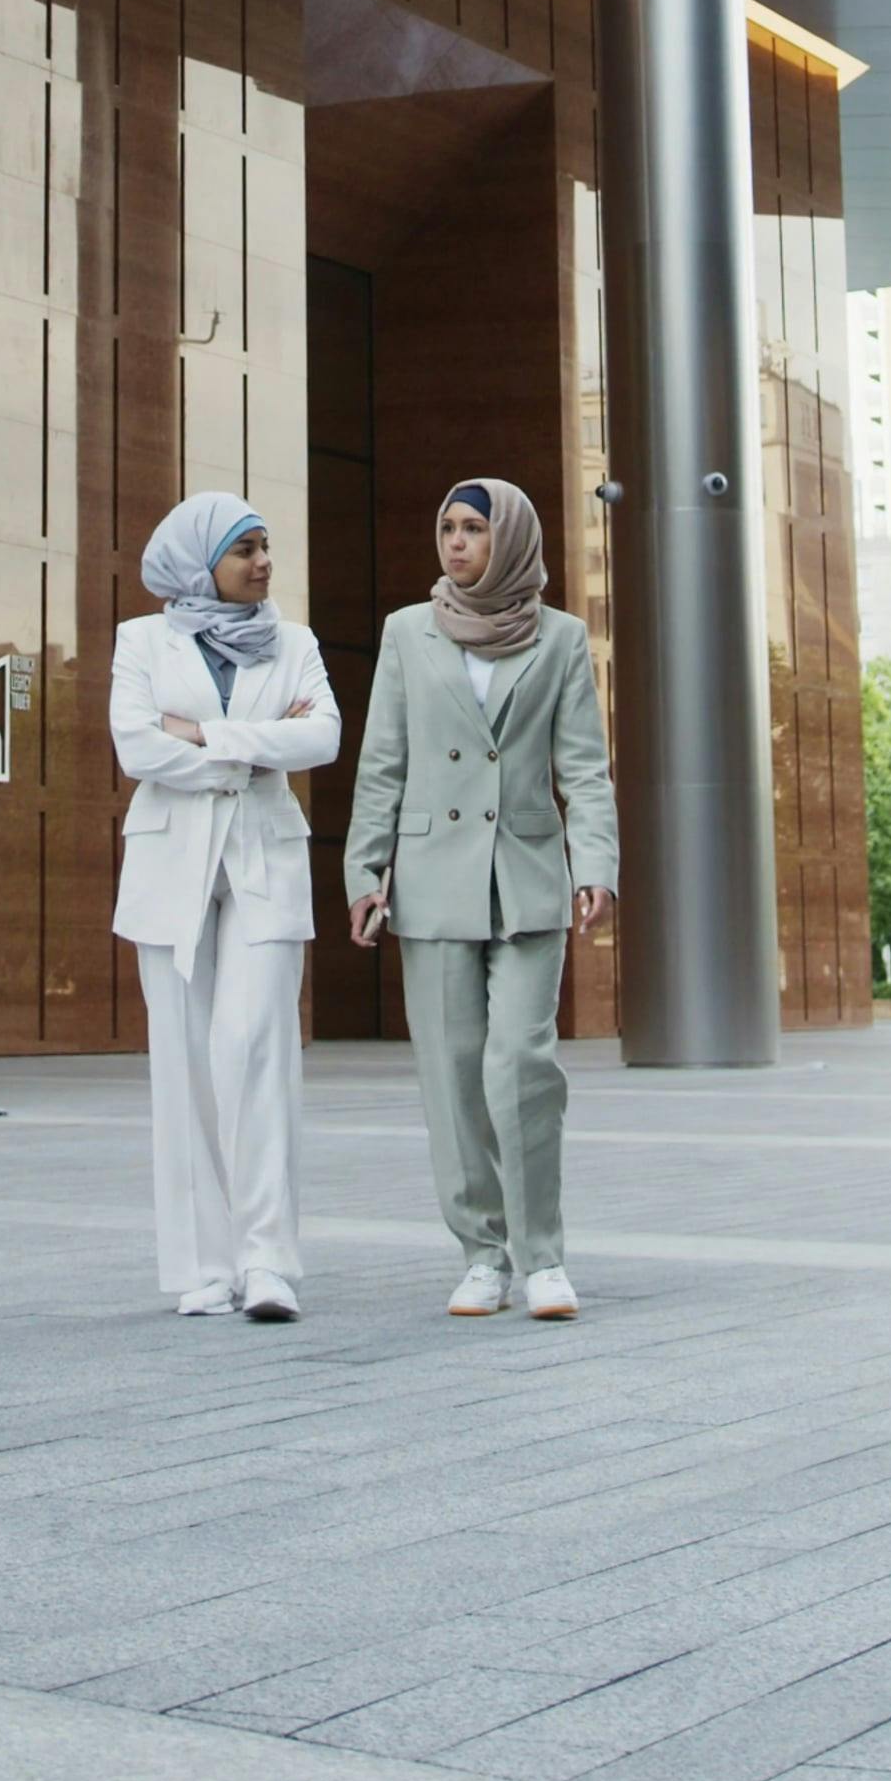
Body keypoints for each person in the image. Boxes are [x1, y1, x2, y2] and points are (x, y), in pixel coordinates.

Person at [343, 477, 618, 1320]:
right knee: (452, 1075)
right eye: (447, 527)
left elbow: (583, 768)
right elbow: (382, 761)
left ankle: (542, 1260)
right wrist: (364, 872)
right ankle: (482, 1256)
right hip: (431, 880)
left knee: (521, 1067)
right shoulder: (406, 631)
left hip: (527, 879)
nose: (456, 542)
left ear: (512, 539)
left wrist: (595, 865)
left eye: (473, 528)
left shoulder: (560, 637)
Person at [111, 492, 339, 1322]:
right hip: (169, 866)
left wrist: (203, 736)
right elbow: (135, 745)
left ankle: (268, 1261)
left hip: (263, 862)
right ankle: (206, 1268)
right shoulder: (141, 640)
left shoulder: (295, 642)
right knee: (183, 1063)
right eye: (244, 549)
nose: (263, 562)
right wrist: (254, 749)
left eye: (266, 546)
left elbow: (321, 738)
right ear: (198, 561)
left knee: (255, 1050)